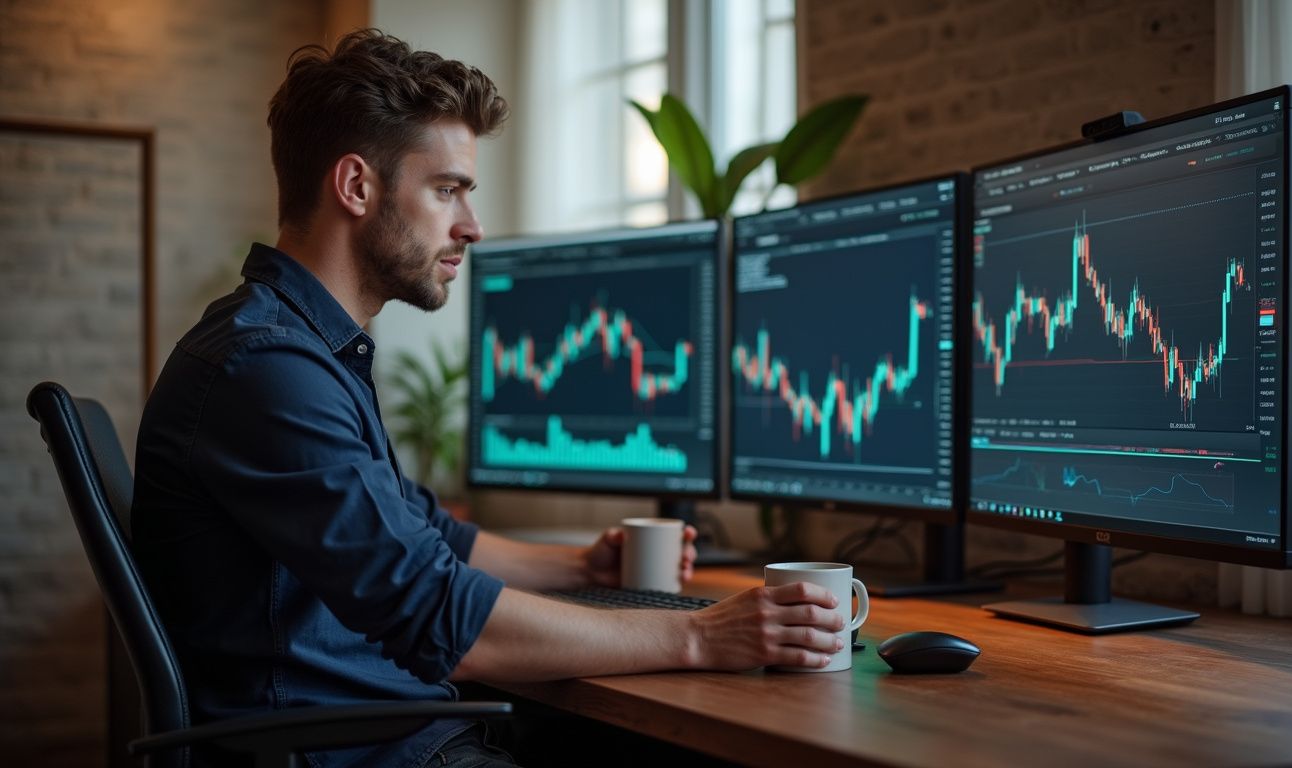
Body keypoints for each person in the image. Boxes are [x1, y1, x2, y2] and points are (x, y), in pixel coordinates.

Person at [131, 28, 845, 768]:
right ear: (354, 186)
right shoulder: (268, 367)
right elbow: (440, 616)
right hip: (352, 753)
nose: (471, 227)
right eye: (447, 190)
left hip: (387, 733)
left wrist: (582, 569)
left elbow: (423, 531)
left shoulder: (305, 347)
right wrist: (701, 635)